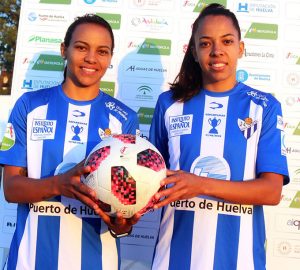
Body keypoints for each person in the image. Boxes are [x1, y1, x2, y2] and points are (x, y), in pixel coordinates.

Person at [150, 4, 289, 270]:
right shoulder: (168, 104)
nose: (216, 51)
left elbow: (272, 191)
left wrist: (200, 184)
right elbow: (150, 180)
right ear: (193, 51)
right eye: (205, 43)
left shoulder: (264, 107)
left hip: (240, 262)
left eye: (227, 41)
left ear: (241, 47)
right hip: (173, 259)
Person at [0, 14, 140, 270]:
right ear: (64, 50)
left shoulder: (124, 119)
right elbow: (10, 189)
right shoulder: (28, 106)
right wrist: (60, 185)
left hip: (97, 261)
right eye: (81, 47)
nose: (91, 58)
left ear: (110, 58)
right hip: (31, 261)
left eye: (102, 51)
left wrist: (123, 224)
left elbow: (124, 207)